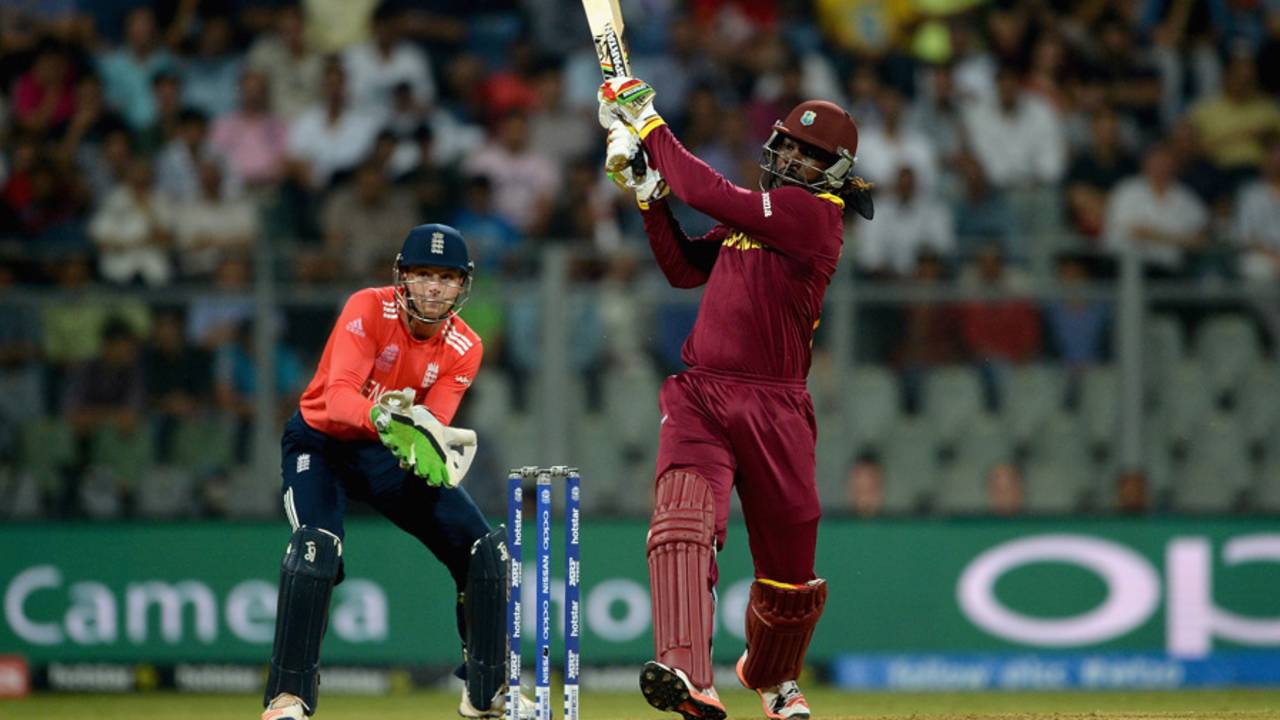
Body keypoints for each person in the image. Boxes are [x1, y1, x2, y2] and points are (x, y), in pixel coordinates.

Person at [598, 77, 873, 720]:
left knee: (791, 572)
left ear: (834, 173)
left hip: (777, 406)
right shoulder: (760, 218)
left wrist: (648, 122)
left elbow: (705, 190)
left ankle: (772, 678)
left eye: (811, 155)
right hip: (701, 395)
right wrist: (648, 200)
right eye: (790, 147)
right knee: (682, 524)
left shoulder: (812, 217)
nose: (795, 161)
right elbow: (684, 269)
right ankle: (689, 673)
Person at [259, 224, 532, 720]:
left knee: (486, 551)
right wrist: (386, 417)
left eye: (446, 278)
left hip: (387, 452)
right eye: (422, 274)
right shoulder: (368, 307)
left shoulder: (466, 347)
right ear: (401, 278)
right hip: (322, 444)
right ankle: (289, 697)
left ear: (462, 286)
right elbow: (340, 397)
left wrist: (431, 445)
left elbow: (435, 423)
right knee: (314, 549)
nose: (433, 288)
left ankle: (487, 691)